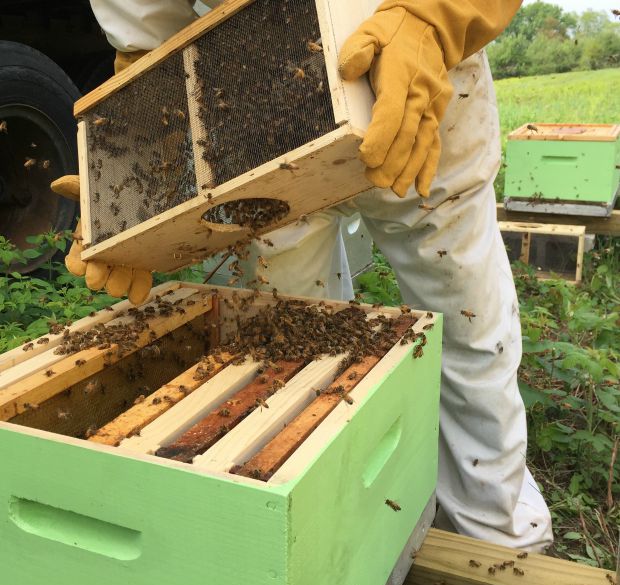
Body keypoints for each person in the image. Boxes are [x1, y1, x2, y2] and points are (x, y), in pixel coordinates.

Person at [51, 0, 553, 556]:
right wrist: (140, 167)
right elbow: (148, 31)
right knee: (288, 349)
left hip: (410, 77)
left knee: (469, 328)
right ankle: (329, 530)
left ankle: (499, 541)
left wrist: (437, 17)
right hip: (246, 124)